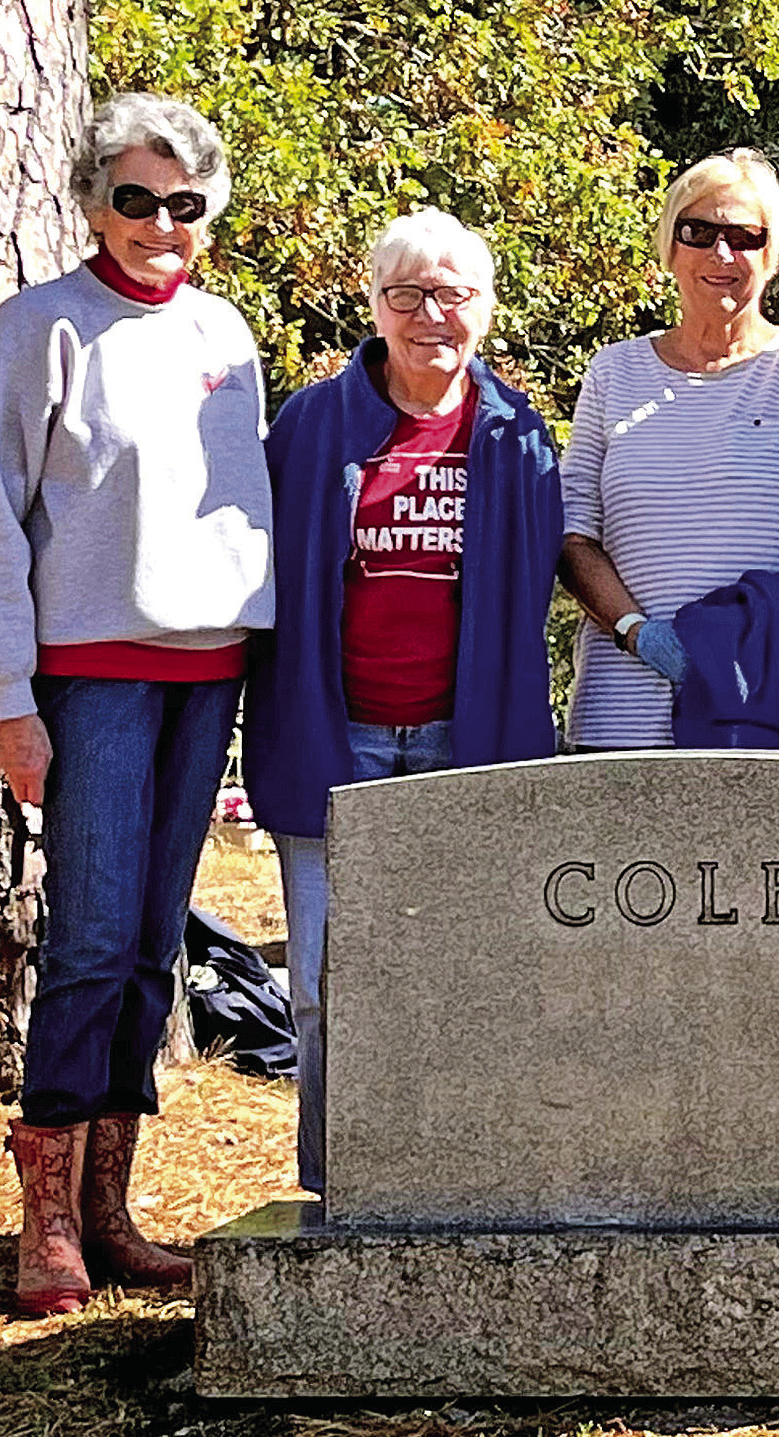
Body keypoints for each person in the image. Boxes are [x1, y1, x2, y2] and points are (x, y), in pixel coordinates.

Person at [0, 93, 273, 1315]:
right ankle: (42, 1221)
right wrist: (8, 698)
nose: (158, 224)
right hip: (91, 678)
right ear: (95, 201)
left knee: (150, 951)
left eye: (184, 204)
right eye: (134, 199)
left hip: (209, 675)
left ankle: (108, 1211)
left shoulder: (226, 335)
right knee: (85, 942)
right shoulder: (40, 328)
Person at [243, 208, 563, 1194]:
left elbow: (538, 588)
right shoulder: (310, 425)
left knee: (469, 974)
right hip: (335, 738)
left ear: (488, 308)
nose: (431, 314)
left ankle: (464, 1177)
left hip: (467, 744)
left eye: (454, 293)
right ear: (374, 305)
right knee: (325, 988)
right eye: (407, 293)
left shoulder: (517, 438)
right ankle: (338, 1186)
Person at [559, 148, 779, 748]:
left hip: (762, 714)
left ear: (772, 253)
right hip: (620, 718)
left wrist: (758, 649)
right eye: (698, 232)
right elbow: (575, 538)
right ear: (670, 248)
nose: (721, 254)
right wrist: (637, 632)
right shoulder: (612, 373)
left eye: (744, 236)